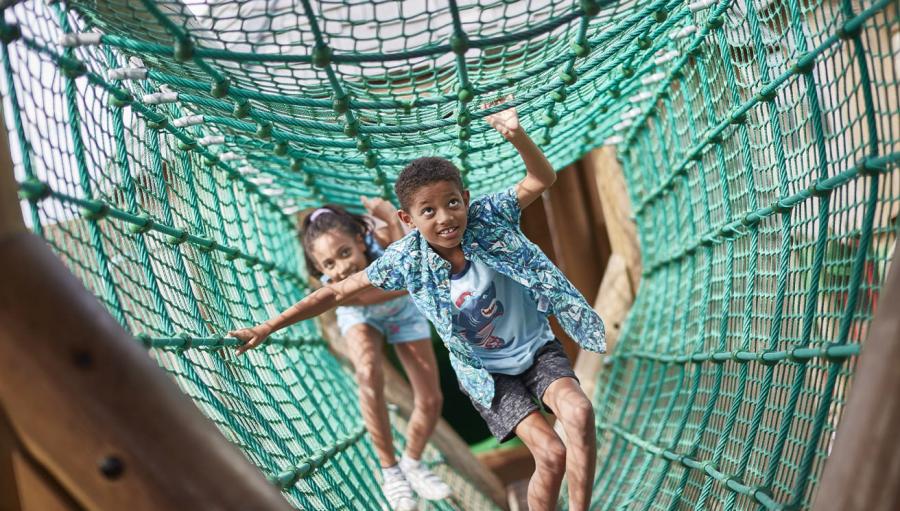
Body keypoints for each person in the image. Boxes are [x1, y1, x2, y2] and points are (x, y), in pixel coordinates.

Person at [230, 103, 606, 511]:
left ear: (465, 199)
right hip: (486, 375)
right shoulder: (407, 258)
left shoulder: (490, 216)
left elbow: (541, 178)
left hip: (536, 349)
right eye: (428, 211)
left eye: (452, 203)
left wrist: (516, 135)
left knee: (580, 412)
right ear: (407, 220)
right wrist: (268, 326)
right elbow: (336, 294)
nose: (445, 218)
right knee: (550, 454)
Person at [293, 200, 451, 510]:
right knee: (367, 375)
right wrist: (410, 283)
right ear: (320, 269)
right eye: (329, 264)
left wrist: (392, 219)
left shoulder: (378, 241)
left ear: (359, 240)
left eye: (344, 253)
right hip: (362, 317)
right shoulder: (331, 284)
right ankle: (390, 471)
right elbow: (396, 285)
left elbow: (407, 262)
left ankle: (412, 463)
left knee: (431, 400)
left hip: (404, 313)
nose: (341, 268)